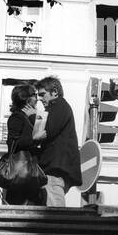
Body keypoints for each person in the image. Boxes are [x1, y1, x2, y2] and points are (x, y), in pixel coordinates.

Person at [33, 77, 81, 207]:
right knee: (52, 203)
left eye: (43, 94)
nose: (40, 99)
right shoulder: (61, 106)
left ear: (54, 92)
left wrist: (34, 116)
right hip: (60, 166)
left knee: (54, 209)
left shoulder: (58, 105)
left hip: (55, 167)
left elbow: (48, 129)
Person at [0, 84, 45, 205]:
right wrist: (34, 138)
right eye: (34, 95)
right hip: (20, 173)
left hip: (29, 172)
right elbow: (13, 142)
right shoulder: (17, 117)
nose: (37, 98)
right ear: (27, 98)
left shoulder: (27, 117)